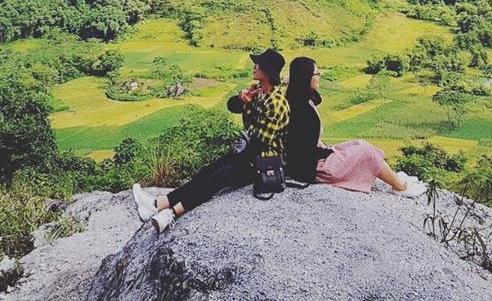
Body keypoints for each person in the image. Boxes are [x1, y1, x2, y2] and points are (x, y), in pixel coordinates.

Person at [130, 48, 290, 232]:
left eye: (258, 65)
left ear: (267, 72)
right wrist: (243, 100)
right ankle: (157, 204)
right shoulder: (259, 92)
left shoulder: (276, 103)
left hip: (264, 162)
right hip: (251, 152)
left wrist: (233, 160)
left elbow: (260, 143)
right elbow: (232, 106)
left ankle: (171, 214)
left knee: (219, 177)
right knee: (207, 171)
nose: (254, 67)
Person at [284, 56, 426, 197]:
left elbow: (317, 98)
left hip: (315, 158)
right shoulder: (302, 111)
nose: (319, 76)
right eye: (316, 74)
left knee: (357, 144)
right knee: (366, 150)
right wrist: (330, 152)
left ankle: (395, 178)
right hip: (315, 168)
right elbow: (305, 151)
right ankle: (400, 187)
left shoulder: (300, 98)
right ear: (306, 77)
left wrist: (292, 80)